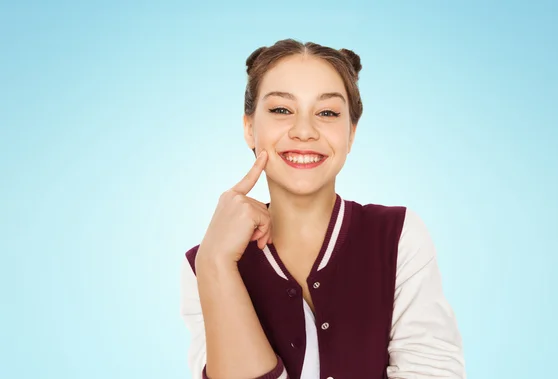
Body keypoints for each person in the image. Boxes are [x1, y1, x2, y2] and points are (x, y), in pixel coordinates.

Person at [180, 38, 466, 379]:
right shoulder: (204, 264)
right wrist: (216, 264)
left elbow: (433, 371)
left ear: (351, 133)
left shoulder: (398, 235)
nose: (304, 131)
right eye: (281, 110)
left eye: (327, 113)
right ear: (248, 128)